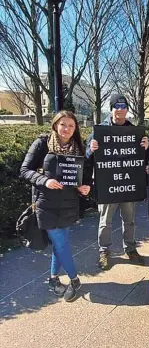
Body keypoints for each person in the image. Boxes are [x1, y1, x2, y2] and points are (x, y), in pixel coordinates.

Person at [20, 111, 91, 302]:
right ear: (55, 125)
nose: (66, 129)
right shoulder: (42, 144)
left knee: (60, 246)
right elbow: (25, 170)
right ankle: (75, 280)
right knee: (61, 243)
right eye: (63, 124)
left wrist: (84, 187)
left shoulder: (79, 148)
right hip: (46, 204)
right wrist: (44, 180)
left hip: (69, 204)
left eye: (71, 125)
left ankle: (52, 279)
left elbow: (82, 177)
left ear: (75, 128)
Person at [86, 93, 149, 270]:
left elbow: (144, 160)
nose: (120, 110)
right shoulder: (99, 131)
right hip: (107, 185)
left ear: (127, 109)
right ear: (111, 109)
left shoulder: (134, 131)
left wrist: (147, 147)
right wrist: (91, 149)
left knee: (129, 220)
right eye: (116, 106)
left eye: (123, 106)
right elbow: (87, 156)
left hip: (128, 185)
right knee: (105, 221)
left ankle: (130, 248)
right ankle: (104, 250)